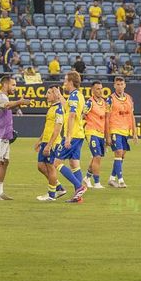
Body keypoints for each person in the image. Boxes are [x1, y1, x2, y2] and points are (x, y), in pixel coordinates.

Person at [0, 75, 23, 201]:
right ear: (5, 85)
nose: (15, 87)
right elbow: (7, 105)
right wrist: (19, 102)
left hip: (5, 136)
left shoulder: (4, 97)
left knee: (4, 162)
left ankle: (0, 191)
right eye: (13, 85)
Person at [56, 71, 88, 203]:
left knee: (56, 163)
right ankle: (77, 195)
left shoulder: (74, 97)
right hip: (79, 134)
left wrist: (68, 137)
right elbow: (68, 108)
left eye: (65, 81)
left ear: (70, 82)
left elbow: (72, 115)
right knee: (74, 163)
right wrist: (59, 96)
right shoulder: (78, 95)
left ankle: (79, 187)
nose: (64, 83)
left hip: (73, 135)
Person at [36, 85, 66, 201]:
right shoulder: (52, 108)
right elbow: (48, 127)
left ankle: (51, 195)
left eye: (49, 93)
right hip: (45, 141)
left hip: (52, 143)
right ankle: (58, 188)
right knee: (40, 166)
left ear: (55, 94)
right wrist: (40, 140)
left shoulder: (59, 109)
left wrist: (49, 145)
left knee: (51, 167)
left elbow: (57, 129)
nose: (46, 95)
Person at [107, 76, 134, 188]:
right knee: (118, 152)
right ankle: (121, 180)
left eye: (121, 84)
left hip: (125, 130)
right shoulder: (110, 99)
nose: (119, 86)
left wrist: (134, 132)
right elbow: (107, 117)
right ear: (114, 85)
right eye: (117, 84)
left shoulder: (129, 98)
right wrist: (107, 135)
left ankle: (112, 178)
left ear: (125, 85)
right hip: (114, 128)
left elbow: (131, 115)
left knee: (122, 155)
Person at [84, 82, 110, 189]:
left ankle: (87, 178)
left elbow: (106, 119)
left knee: (97, 157)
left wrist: (106, 135)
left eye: (101, 88)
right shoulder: (89, 103)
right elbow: (82, 114)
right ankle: (97, 183)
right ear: (93, 90)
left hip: (100, 133)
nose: (100, 91)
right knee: (97, 156)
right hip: (91, 132)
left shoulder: (103, 102)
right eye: (97, 89)